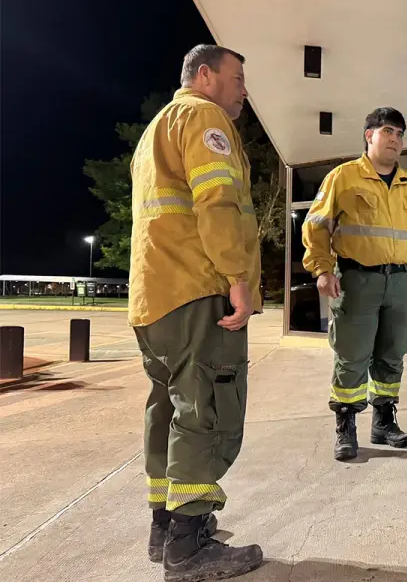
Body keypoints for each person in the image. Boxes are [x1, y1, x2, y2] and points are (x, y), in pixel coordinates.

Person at [129, 44, 264, 581]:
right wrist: (237, 278)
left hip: (154, 297)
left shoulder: (155, 130)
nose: (244, 90)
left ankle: (164, 529)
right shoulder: (204, 118)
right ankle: (188, 549)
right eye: (238, 78)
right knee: (207, 410)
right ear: (205, 75)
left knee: (167, 407)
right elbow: (217, 202)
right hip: (196, 290)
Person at [302, 107, 407, 461]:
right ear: (369, 135)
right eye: (388, 131)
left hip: (402, 282)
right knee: (352, 355)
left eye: (400, 134)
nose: (395, 140)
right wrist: (322, 269)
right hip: (357, 280)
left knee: (393, 353)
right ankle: (346, 426)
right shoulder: (343, 177)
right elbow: (317, 225)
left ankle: (384, 422)